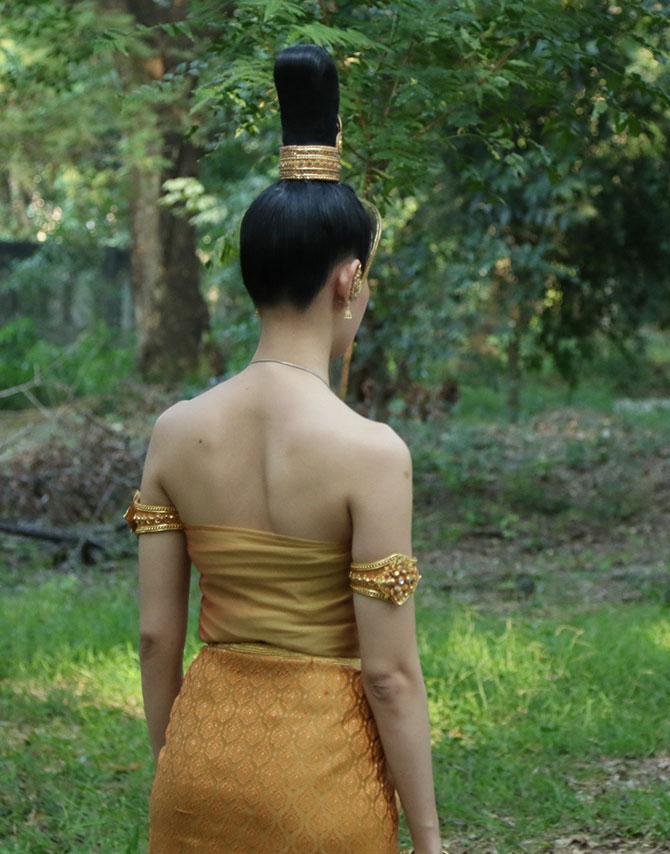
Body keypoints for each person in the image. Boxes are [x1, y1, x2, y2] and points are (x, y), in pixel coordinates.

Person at [125, 45, 441, 853]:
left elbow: (158, 637)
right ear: (348, 281)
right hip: (321, 782)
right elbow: (389, 677)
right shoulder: (372, 454)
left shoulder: (175, 430)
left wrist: (175, 768)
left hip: (200, 769)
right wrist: (431, 838)